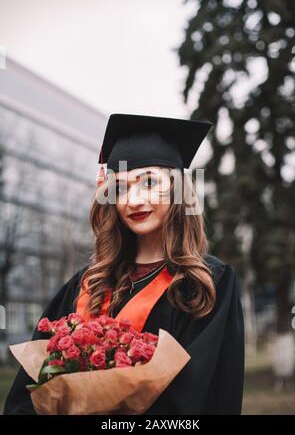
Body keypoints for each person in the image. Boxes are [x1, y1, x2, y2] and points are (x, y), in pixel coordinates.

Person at [4, 113, 244, 415]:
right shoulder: (86, 284)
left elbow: (204, 397)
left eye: (148, 183)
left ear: (177, 189)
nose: (134, 200)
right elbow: (26, 394)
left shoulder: (206, 284)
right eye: (121, 188)